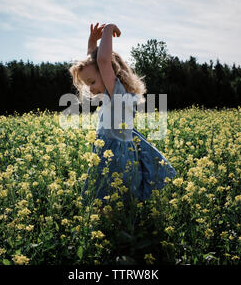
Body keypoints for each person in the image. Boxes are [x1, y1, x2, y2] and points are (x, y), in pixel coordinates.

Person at [69, 22, 177, 208]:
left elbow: (102, 61)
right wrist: (92, 43)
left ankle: (119, 230)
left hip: (116, 158)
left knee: (109, 198)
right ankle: (119, 227)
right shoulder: (114, 94)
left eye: (92, 82)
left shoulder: (116, 93)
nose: (91, 88)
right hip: (113, 152)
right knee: (110, 199)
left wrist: (108, 30)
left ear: (108, 71)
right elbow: (96, 62)